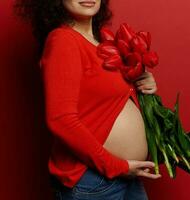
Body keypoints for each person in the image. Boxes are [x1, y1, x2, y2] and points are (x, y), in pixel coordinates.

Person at [13, 0, 162, 199]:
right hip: (94, 180)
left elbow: (105, 99)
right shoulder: (63, 40)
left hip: (127, 177)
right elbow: (61, 119)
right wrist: (115, 166)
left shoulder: (103, 42)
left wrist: (142, 83)